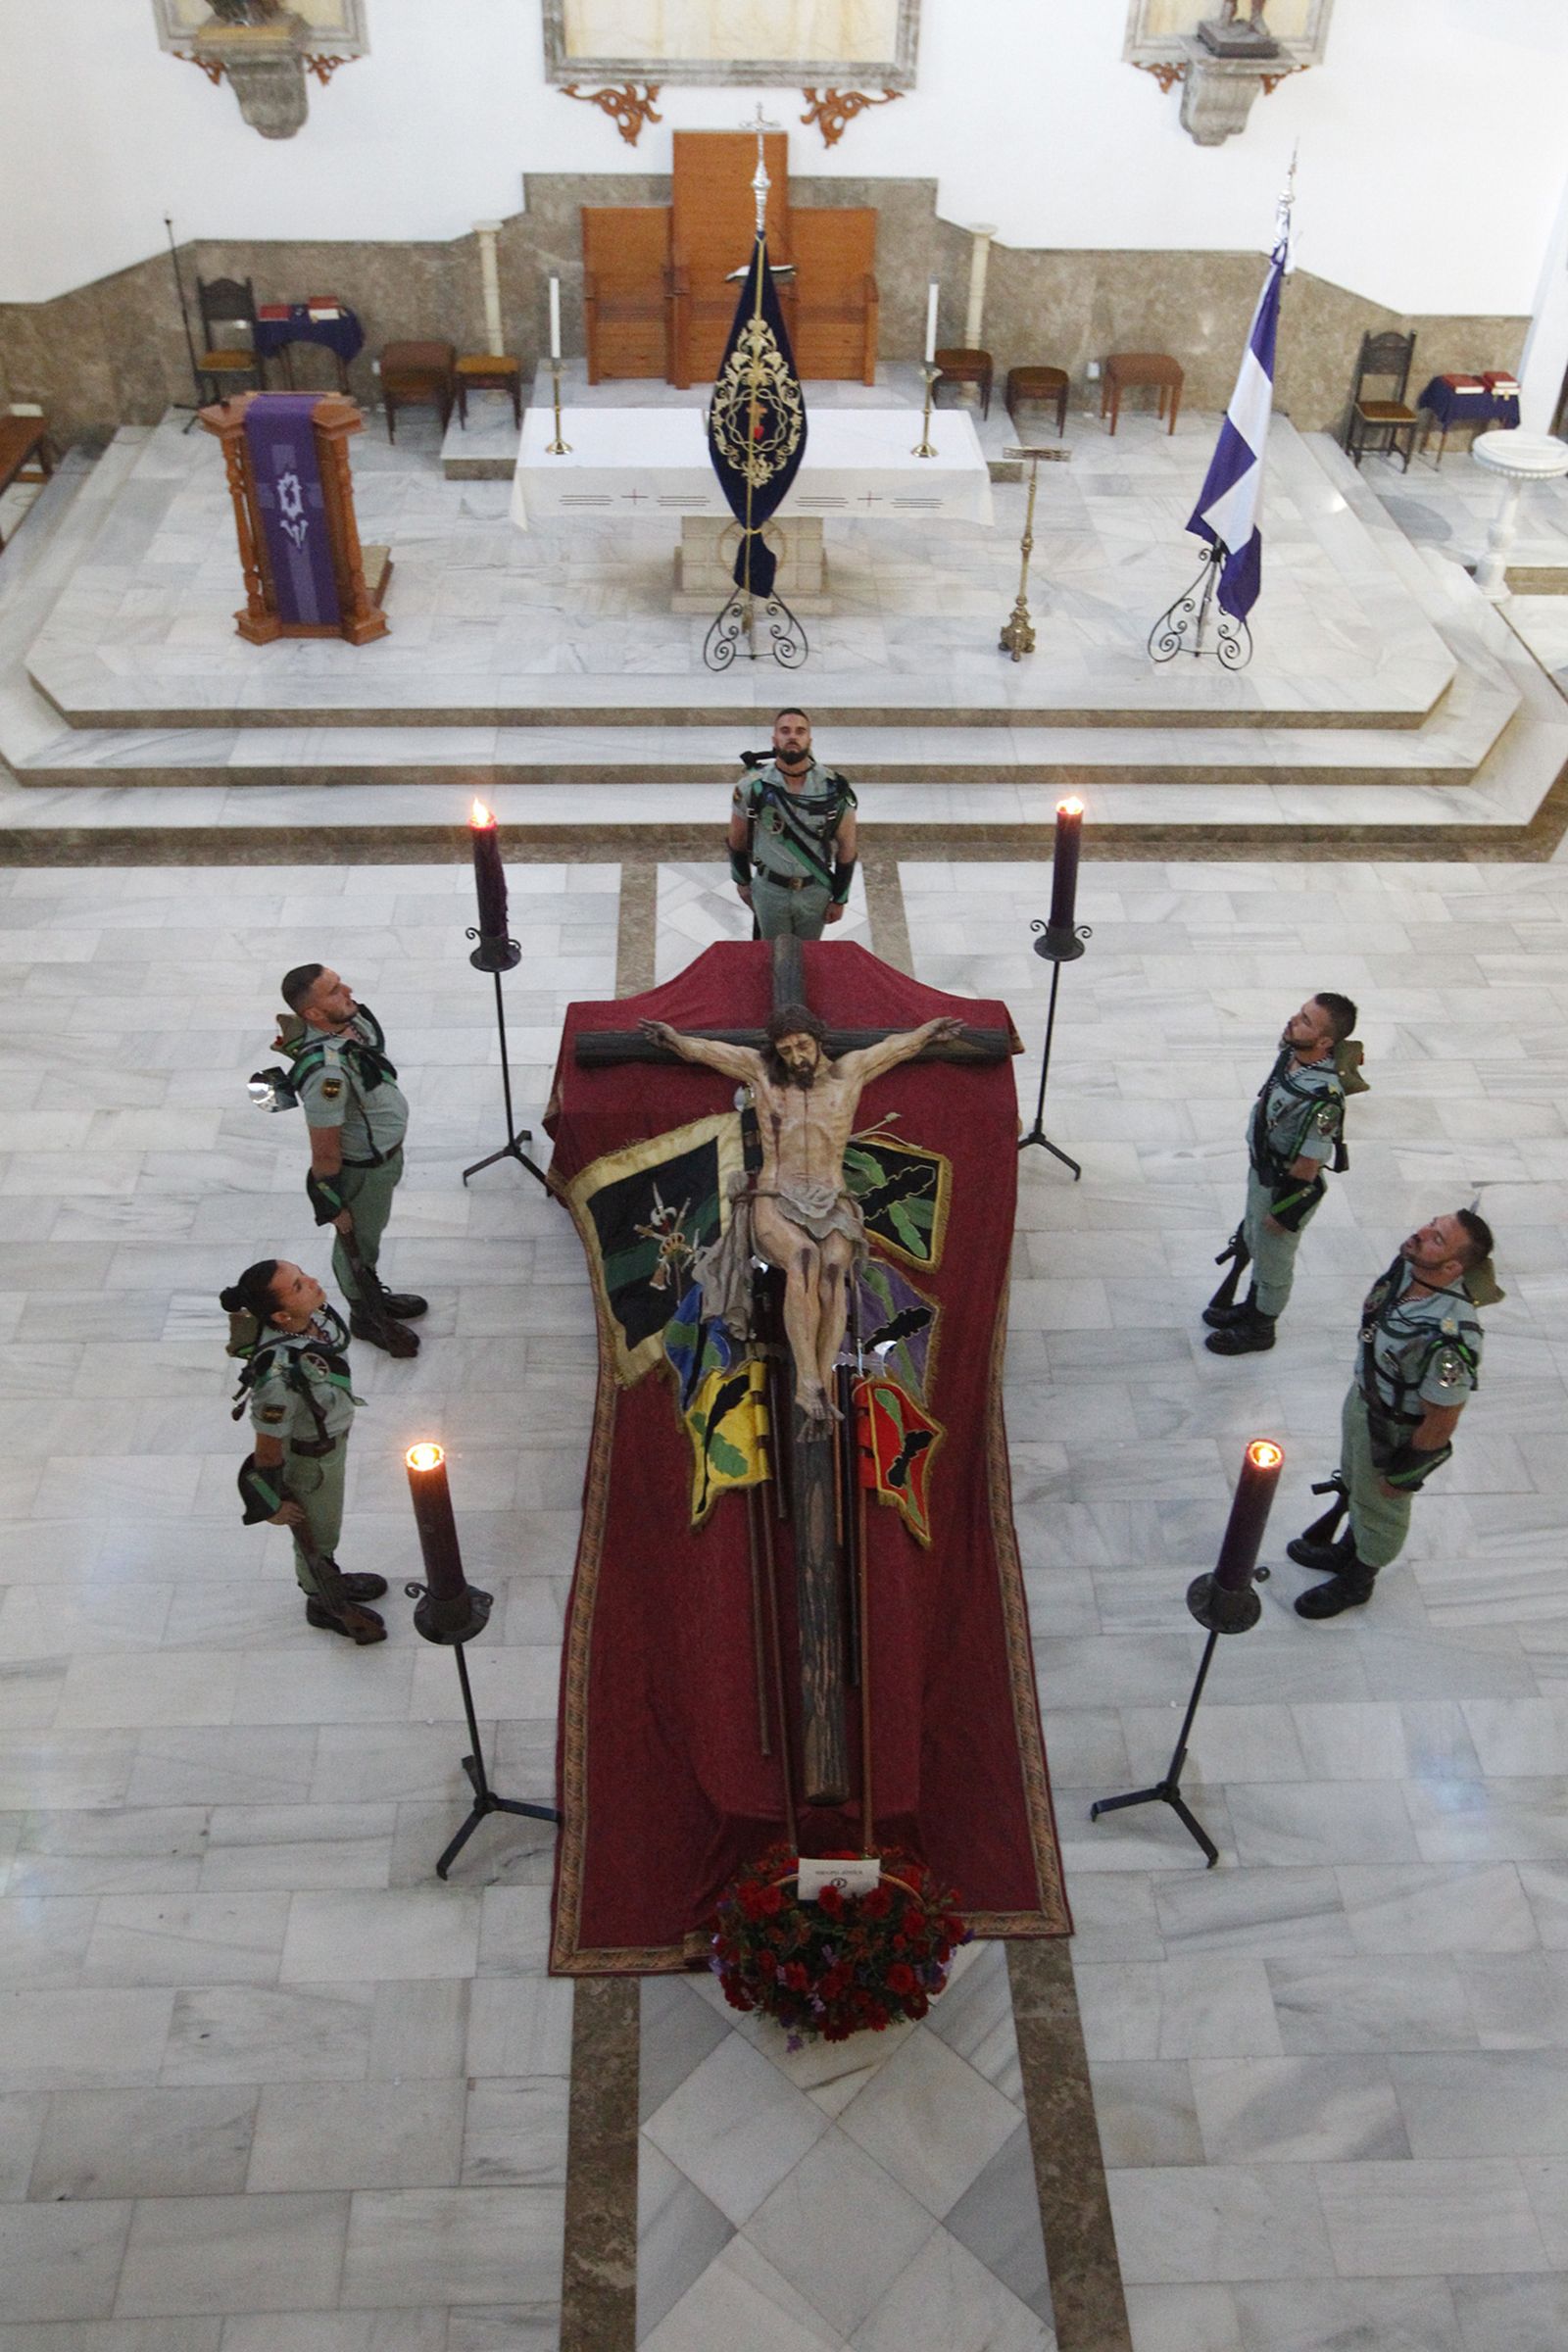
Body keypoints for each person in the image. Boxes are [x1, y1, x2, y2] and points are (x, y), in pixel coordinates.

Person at [638, 1002, 963, 1428]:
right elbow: (711, 1052)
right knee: (803, 1259)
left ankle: (821, 1381)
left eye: (803, 1046)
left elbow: (894, 1048)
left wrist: (927, 1033)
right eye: (787, 1050)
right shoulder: (762, 1073)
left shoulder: (850, 1072)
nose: (796, 1057)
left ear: (818, 1040)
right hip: (776, 1194)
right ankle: (806, 1381)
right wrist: (676, 1040)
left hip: (832, 1197)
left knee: (833, 1271)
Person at [1288, 1208, 1494, 1620]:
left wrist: (1402, 1475)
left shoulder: (1449, 1335)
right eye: (1431, 1224)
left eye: (1437, 1238)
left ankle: (1360, 1577)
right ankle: (1350, 1547)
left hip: (1393, 1430)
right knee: (1354, 1480)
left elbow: (1442, 1418)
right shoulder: (1409, 1269)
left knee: (1382, 1507)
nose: (1422, 1232)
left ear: (1452, 1267)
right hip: (1365, 1401)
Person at [221, 1257, 387, 1644]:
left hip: (329, 1440)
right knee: (318, 1534)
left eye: (301, 1274)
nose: (311, 1281)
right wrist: (274, 1503)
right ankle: (322, 1599)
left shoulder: (314, 1321)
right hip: (312, 1461)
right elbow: (267, 1449)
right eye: (298, 1285)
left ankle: (329, 1576)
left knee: (326, 1528)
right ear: (281, 1316)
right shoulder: (276, 1379)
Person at [276, 963, 424, 1356]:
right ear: (313, 1013)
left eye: (340, 983)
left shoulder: (350, 1021)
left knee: (369, 1236)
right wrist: (334, 1200)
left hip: (386, 1154)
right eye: (334, 990)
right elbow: (325, 1149)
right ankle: (366, 1315)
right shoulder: (326, 1074)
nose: (348, 990)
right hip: (363, 1170)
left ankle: (373, 1294)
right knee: (358, 1245)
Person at [1205, 992, 1362, 1357]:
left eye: (1306, 1021)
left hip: (1285, 1186)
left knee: (1273, 1261)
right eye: (1301, 1012)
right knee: (1253, 1239)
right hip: (1263, 1170)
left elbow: (1308, 1165)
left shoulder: (1323, 1098)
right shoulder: (1293, 1051)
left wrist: (1282, 1212)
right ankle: (1252, 1307)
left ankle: (1261, 1328)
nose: (1294, 1020)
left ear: (1325, 1042)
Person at [728, 708, 858, 943]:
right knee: (772, 954)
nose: (792, 737)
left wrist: (840, 898)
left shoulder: (833, 789)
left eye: (800, 731)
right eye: (785, 731)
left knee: (808, 955)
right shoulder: (752, 787)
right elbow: (737, 839)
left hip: (815, 891)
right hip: (770, 890)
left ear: (809, 739)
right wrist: (743, 883)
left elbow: (847, 847)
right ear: (774, 739)